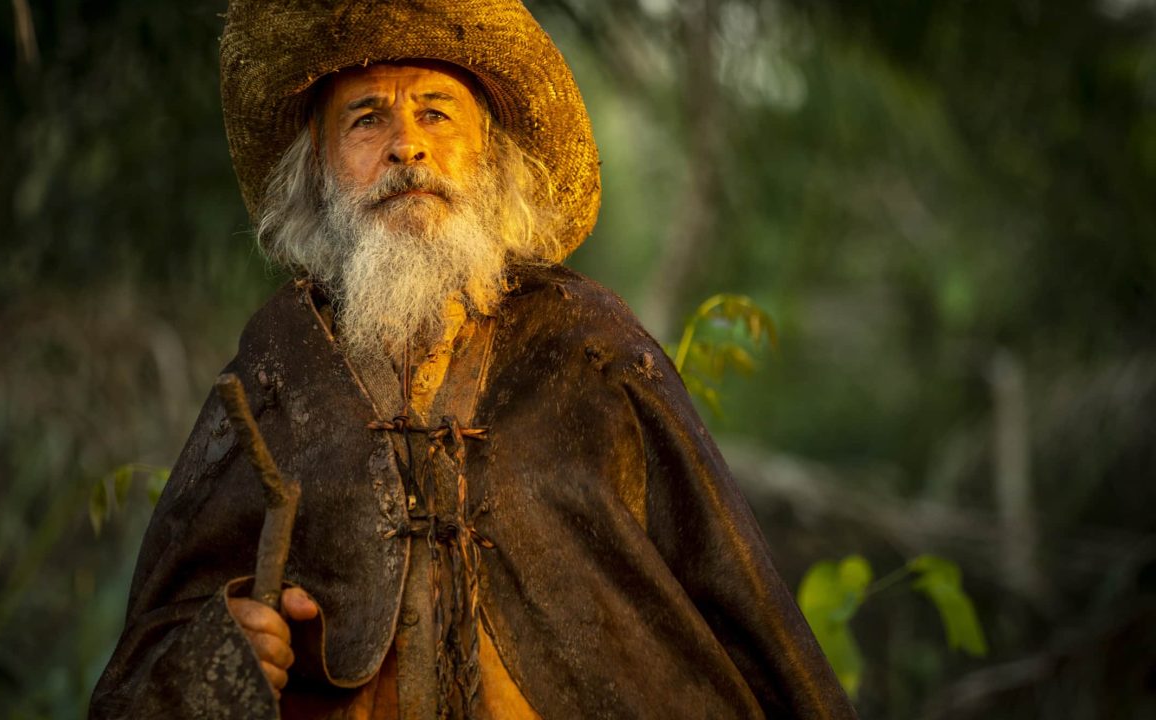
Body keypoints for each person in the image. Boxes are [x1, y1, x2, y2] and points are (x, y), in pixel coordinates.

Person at [90, 1, 857, 718]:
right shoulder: (273, 376)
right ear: (316, 173)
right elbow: (137, 677)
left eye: (436, 112)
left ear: (489, 153)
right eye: (366, 119)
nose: (407, 145)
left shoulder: (590, 348)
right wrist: (222, 655)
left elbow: (748, 615)